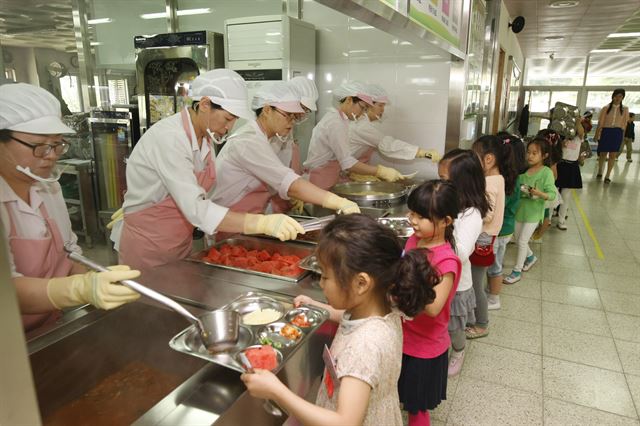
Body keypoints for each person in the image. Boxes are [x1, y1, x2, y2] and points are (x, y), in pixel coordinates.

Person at [241, 214, 439, 426]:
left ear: (361, 283)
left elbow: (345, 422)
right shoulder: (380, 305)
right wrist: (316, 305)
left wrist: (276, 391)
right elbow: (346, 318)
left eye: (325, 276)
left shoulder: (364, 346)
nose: (322, 283)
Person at [111, 69, 304, 271]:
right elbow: (196, 208)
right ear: (204, 104)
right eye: (228, 119)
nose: (230, 127)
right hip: (148, 247)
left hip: (179, 244)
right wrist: (261, 224)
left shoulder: (204, 138)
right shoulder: (170, 138)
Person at [0, 83, 140, 332]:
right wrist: (80, 289)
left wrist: (93, 277)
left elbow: (69, 251)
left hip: (49, 323)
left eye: (57, 144)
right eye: (40, 145)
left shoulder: (47, 186)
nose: (52, 155)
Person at [210, 82, 360, 215]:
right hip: (228, 215)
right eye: (288, 115)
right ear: (267, 110)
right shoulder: (247, 142)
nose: (292, 122)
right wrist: (338, 202)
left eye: (295, 117)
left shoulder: (271, 137)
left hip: (250, 214)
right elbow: (287, 181)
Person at [398, 180, 462, 426]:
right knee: (398, 394)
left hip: (425, 347)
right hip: (402, 334)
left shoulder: (447, 261)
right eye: (412, 212)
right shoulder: (414, 240)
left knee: (417, 408)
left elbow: (434, 307)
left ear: (446, 221)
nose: (412, 219)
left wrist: (402, 288)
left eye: (421, 216)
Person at [437, 149, 488, 376]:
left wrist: (439, 228)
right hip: (437, 276)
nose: (440, 186)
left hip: (457, 284)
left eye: (444, 181)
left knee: (454, 326)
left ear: (463, 183)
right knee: (437, 319)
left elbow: (461, 252)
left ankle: (458, 350)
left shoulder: (471, 214)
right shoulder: (448, 203)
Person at [303, 81, 405, 190]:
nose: (362, 113)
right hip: (319, 179)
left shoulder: (342, 120)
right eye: (362, 107)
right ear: (349, 100)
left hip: (327, 177)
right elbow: (347, 162)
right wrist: (380, 171)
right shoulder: (335, 122)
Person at [465, 135, 514, 338]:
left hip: (482, 238)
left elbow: (487, 214)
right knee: (475, 281)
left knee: (476, 284)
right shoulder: (498, 178)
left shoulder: (490, 183)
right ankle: (472, 317)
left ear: (488, 159)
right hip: (487, 238)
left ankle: (482, 324)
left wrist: (466, 205)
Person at [348, 83, 440, 172]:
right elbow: (388, 145)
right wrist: (421, 152)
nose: (382, 110)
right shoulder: (361, 126)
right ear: (368, 105)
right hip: (341, 171)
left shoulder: (365, 123)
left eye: (383, 106)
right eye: (380, 105)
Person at [503, 138, 557, 284]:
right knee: (520, 238)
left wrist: (539, 194)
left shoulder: (546, 172)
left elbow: (552, 194)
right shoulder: (523, 172)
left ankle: (517, 271)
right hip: (520, 210)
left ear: (544, 156)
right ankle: (531, 257)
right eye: (528, 152)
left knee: (521, 241)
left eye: (535, 153)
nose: (530, 156)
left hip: (534, 213)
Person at [486, 133, 526, 310]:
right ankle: (490, 293)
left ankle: (494, 299)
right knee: (495, 264)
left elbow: (494, 210)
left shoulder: (502, 181)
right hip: (504, 229)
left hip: (499, 231)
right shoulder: (510, 178)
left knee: (494, 267)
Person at [595, 88, 629, 183]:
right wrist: (597, 134)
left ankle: (608, 175)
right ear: (613, 96)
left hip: (617, 133)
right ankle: (600, 170)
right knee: (603, 154)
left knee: (613, 155)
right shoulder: (605, 108)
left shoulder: (625, 109)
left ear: (622, 98)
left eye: (620, 96)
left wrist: (622, 137)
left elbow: (625, 124)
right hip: (606, 132)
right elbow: (600, 122)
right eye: (616, 96)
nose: (618, 98)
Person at [556, 121, 585, 231]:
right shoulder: (561, 135)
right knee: (554, 191)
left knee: (566, 195)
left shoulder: (579, 137)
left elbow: (581, 132)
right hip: (560, 164)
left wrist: (577, 120)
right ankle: (548, 218)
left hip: (572, 166)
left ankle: (561, 220)